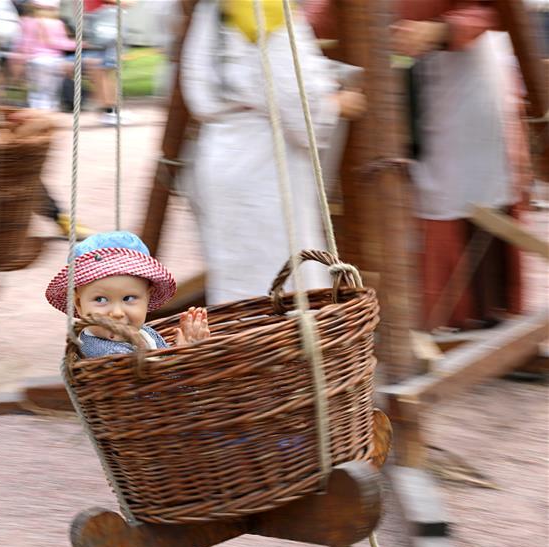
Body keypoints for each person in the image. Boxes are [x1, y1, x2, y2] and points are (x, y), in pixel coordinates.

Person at [306, 0, 528, 330]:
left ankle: (489, 313)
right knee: (427, 198)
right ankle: (441, 317)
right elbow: (319, 16)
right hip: (407, 82)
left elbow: (498, 9)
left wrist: (442, 29)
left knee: (476, 196)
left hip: (466, 74)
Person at [179, 0, 366, 305]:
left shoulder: (213, 8)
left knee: (238, 277)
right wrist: (335, 103)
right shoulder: (267, 6)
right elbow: (292, 93)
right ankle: (286, 350)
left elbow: (197, 78)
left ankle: (245, 346)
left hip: (221, 150)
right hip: (264, 162)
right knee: (283, 275)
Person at [45, 231, 211, 358]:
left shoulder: (146, 333)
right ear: (79, 304)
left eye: (129, 298)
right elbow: (160, 385)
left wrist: (183, 350)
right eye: (101, 299)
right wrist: (183, 355)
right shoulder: (106, 355)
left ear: (147, 298)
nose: (117, 313)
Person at [12, 0, 76, 110]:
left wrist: (20, 62)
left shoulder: (25, 22)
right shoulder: (57, 23)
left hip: (34, 61)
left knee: (36, 92)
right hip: (54, 61)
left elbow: (23, 44)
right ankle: (49, 113)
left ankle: (37, 112)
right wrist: (78, 44)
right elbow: (60, 43)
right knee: (52, 92)